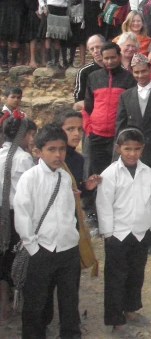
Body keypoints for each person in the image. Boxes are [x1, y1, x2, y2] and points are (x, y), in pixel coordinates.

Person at [14, 124, 81, 339]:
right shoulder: (29, 178)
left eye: (62, 149)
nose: (58, 155)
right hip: (41, 250)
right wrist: (33, 248)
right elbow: (22, 214)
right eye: (51, 149)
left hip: (68, 249)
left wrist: (72, 237)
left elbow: (69, 212)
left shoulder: (65, 178)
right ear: (38, 151)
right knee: (36, 303)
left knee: (70, 301)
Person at [96, 128, 151, 336]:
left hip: (140, 232)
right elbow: (103, 204)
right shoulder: (110, 174)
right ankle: (117, 322)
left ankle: (131, 310)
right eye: (127, 149)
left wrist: (149, 226)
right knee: (116, 278)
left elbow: (150, 202)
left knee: (136, 274)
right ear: (118, 148)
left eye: (136, 149)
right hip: (117, 234)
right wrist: (108, 233)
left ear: (142, 149)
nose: (132, 153)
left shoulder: (147, 172)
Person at [115, 53, 151, 254]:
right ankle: (132, 233)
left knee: (150, 197)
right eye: (136, 72)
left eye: (143, 71)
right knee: (130, 196)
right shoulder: (126, 96)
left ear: (150, 70)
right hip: (130, 155)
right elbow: (120, 126)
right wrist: (119, 155)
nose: (140, 75)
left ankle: (150, 237)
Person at [0, 115, 36, 321]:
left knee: (3, 255)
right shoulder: (23, 158)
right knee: (16, 257)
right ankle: (15, 299)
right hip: (15, 215)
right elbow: (29, 191)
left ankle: (4, 300)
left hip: (1, 213)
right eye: (30, 134)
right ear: (22, 135)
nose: (32, 139)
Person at [83, 42, 136, 177]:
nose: (110, 61)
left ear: (119, 56)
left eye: (113, 57)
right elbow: (87, 107)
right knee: (94, 175)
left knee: (117, 175)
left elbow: (132, 109)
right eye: (106, 58)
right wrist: (89, 129)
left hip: (118, 137)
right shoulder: (94, 77)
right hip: (96, 135)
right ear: (101, 58)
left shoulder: (129, 78)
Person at [38, 0, 72, 69]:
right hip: (50, 10)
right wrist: (44, 7)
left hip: (61, 11)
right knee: (48, 36)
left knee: (58, 37)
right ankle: (49, 60)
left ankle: (57, 61)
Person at [0, 0, 27, 69]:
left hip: (17, 10)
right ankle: (4, 61)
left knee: (15, 35)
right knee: (3, 36)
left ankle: (14, 62)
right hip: (3, 10)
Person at [24, 0, 48, 68]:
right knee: (33, 37)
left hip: (46, 12)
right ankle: (32, 60)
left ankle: (44, 59)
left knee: (44, 37)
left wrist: (44, 10)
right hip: (34, 12)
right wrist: (36, 10)